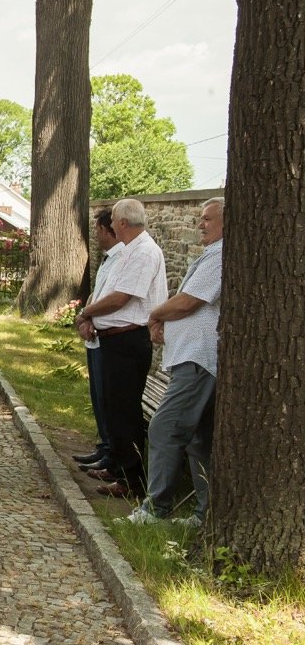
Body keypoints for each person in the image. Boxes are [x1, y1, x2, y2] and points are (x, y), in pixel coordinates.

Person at [126, 198, 224, 527]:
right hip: (192, 358)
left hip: (198, 359)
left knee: (165, 427)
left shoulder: (221, 255)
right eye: (200, 218)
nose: (200, 224)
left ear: (227, 222)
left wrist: (155, 315)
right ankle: (205, 514)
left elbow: (187, 303)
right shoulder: (213, 254)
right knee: (199, 439)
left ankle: (155, 510)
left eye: (208, 219)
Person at [75, 198, 167, 499]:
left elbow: (121, 297)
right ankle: (116, 465)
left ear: (124, 223)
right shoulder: (128, 251)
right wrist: (92, 318)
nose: (111, 224)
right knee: (114, 408)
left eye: (113, 219)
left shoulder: (144, 252)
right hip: (114, 338)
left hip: (129, 340)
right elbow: (106, 292)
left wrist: (86, 313)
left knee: (125, 411)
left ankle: (131, 479)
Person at [72, 209, 122, 473]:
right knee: (98, 396)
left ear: (106, 229)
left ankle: (111, 451)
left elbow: (115, 297)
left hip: (109, 337)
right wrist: (86, 318)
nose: (96, 234)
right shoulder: (108, 258)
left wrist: (88, 316)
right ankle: (104, 445)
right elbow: (97, 294)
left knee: (107, 397)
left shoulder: (123, 257)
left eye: (98, 229)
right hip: (95, 334)